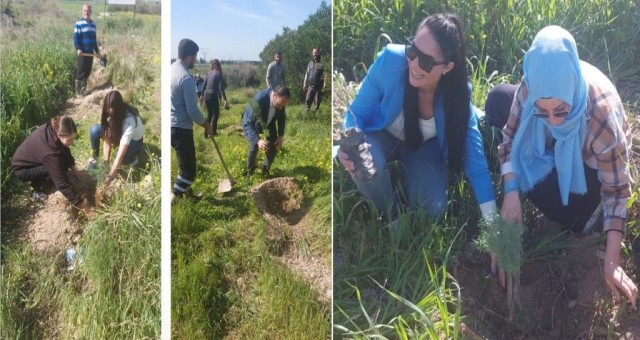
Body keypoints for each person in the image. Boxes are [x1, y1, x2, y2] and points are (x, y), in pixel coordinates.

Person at [485, 25, 637, 309]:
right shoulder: (532, 87)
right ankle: (545, 161)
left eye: (561, 111)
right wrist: (510, 193)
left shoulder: (600, 115)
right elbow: (509, 139)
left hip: (589, 169)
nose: (553, 121)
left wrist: (612, 259)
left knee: (554, 201)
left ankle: (583, 217)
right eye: (542, 110)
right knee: (496, 100)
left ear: (572, 91)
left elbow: (617, 190)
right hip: (558, 148)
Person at [337, 14, 497, 225]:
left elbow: (476, 164)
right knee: (361, 161)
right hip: (382, 134)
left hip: (424, 146)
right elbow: (355, 113)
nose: (414, 64)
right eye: (412, 51)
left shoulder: (457, 96)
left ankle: (412, 187)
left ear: (447, 67)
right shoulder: (391, 61)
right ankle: (391, 215)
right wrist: (349, 143)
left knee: (432, 210)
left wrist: (494, 228)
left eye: (426, 61)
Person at [11, 116, 95, 217]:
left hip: (35, 158)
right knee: (56, 168)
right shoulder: (50, 153)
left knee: (61, 163)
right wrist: (87, 209)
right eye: (69, 139)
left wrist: (74, 169)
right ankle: (36, 189)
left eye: (73, 138)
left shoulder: (53, 128)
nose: (72, 143)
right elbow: (62, 184)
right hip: (22, 169)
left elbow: (64, 148)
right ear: (59, 135)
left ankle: (45, 179)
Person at [171, 38, 214, 202]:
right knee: (189, 171)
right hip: (181, 129)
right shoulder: (186, 78)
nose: (195, 60)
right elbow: (193, 112)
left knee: (184, 164)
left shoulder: (171, 70)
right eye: (195, 56)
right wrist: (207, 124)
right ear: (189, 56)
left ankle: (189, 196)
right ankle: (172, 202)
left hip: (171, 126)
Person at [87, 90, 144, 185]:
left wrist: (110, 177)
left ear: (118, 111)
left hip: (135, 141)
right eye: (107, 113)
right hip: (119, 132)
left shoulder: (129, 121)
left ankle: (132, 159)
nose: (109, 116)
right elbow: (107, 138)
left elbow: (120, 154)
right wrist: (106, 165)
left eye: (111, 114)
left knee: (118, 155)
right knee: (95, 130)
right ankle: (95, 158)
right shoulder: (110, 113)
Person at [242, 85, 290, 176]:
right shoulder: (259, 99)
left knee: (274, 145)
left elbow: (281, 119)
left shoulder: (281, 103)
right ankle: (249, 172)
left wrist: (280, 136)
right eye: (280, 105)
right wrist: (258, 140)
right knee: (254, 146)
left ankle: (265, 169)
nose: (281, 108)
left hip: (269, 122)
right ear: (274, 95)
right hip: (255, 122)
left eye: (283, 106)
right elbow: (247, 123)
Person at [73, 3, 100, 98]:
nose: (86, 12)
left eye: (88, 11)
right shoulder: (78, 24)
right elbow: (76, 38)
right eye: (84, 11)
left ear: (91, 12)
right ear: (82, 12)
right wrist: (78, 49)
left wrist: (97, 51)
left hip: (90, 53)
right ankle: (77, 93)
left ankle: (83, 90)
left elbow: (94, 39)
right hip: (82, 53)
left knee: (87, 71)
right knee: (80, 71)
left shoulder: (93, 25)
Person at [199, 59, 229, 137]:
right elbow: (221, 88)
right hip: (213, 95)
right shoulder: (219, 74)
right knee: (216, 114)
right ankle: (214, 132)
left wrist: (202, 96)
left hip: (207, 95)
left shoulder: (209, 73)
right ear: (218, 65)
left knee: (209, 115)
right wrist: (225, 100)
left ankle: (206, 134)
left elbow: (204, 85)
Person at [303, 48, 326, 113]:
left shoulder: (321, 63)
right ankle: (307, 113)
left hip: (318, 86)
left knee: (317, 101)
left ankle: (317, 115)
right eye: (314, 53)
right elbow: (307, 73)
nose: (315, 54)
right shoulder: (310, 63)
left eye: (316, 52)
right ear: (312, 54)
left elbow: (325, 74)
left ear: (318, 53)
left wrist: (325, 83)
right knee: (308, 99)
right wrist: (304, 83)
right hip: (310, 85)